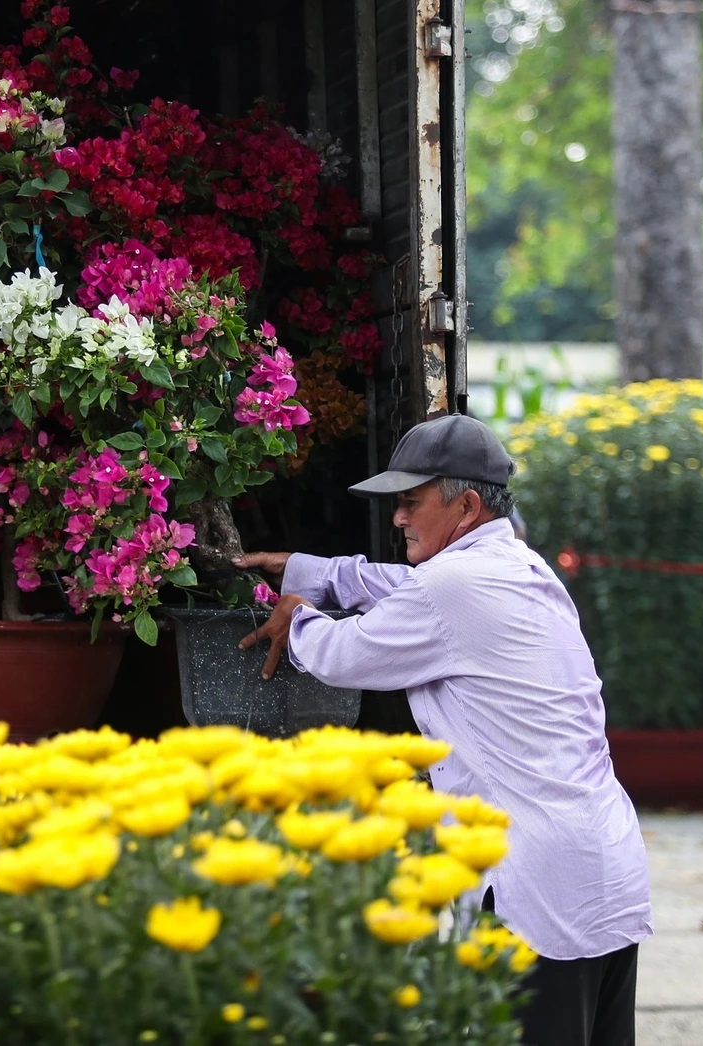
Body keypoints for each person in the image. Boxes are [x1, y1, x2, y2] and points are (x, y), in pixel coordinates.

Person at [238, 413, 651, 1046]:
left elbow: (345, 653)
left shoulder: (455, 586)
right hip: (602, 872)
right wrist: (307, 568)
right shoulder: (519, 568)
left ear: (465, 504)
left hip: (537, 892)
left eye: (409, 502)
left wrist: (296, 617)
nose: (397, 518)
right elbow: (407, 587)